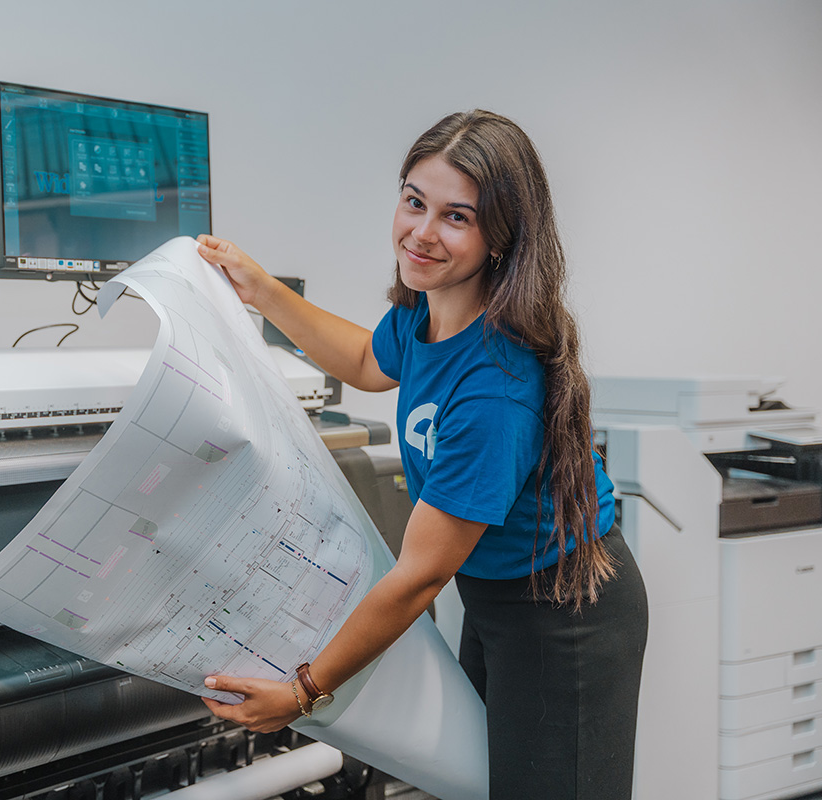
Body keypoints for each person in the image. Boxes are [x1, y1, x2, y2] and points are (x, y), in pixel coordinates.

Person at [194, 110, 648, 800]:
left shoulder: (496, 389)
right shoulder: (426, 311)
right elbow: (363, 359)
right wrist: (260, 290)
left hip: (563, 613)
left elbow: (416, 579)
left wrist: (304, 691)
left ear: (501, 235)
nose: (421, 233)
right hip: (496, 595)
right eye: (414, 201)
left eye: (456, 217)